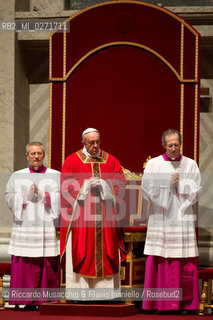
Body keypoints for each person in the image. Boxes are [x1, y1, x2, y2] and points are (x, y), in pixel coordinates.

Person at [60, 128, 126, 297]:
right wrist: (84, 186)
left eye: (97, 142)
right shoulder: (71, 161)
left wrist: (105, 185)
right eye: (91, 143)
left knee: (107, 252)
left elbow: (121, 182)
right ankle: (79, 295)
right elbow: (65, 186)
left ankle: (107, 295)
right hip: (82, 218)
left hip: (106, 219)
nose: (95, 146)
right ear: (83, 143)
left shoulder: (111, 160)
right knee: (82, 252)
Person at [141, 129, 201, 314]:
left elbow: (197, 191)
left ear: (180, 144)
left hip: (182, 218)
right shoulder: (154, 164)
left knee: (183, 259)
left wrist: (179, 185)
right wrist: (168, 185)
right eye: (170, 145)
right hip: (162, 218)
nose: (173, 149)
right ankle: (158, 304)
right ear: (163, 145)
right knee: (161, 257)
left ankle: (186, 304)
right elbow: (147, 190)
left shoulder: (190, 164)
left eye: (176, 145)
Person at [5, 142, 60, 310]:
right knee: (25, 263)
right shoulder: (17, 175)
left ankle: (44, 300)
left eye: (40, 154)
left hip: (45, 226)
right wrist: (24, 197)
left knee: (45, 261)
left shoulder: (55, 175)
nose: (36, 157)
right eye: (33, 154)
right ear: (27, 156)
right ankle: (25, 300)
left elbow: (62, 198)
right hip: (25, 227)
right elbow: (8, 197)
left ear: (44, 155)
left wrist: (46, 196)